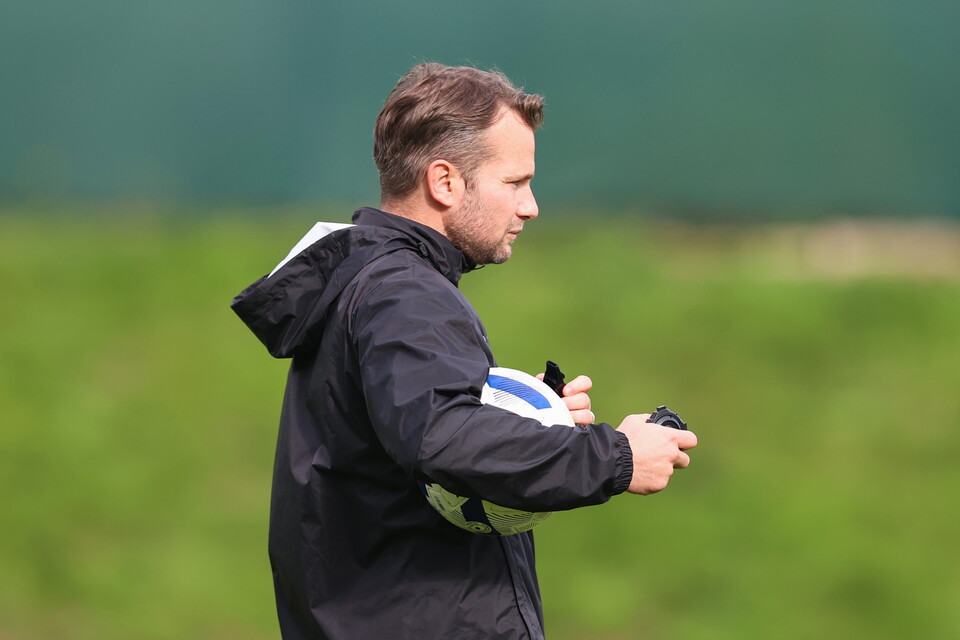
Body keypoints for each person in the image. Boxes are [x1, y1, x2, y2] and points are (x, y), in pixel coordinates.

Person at [231, 62, 697, 640]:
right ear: (445, 182)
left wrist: (534, 416)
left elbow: (399, 434)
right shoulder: (404, 293)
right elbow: (444, 437)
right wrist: (617, 456)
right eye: (514, 183)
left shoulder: (366, 282)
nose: (530, 207)